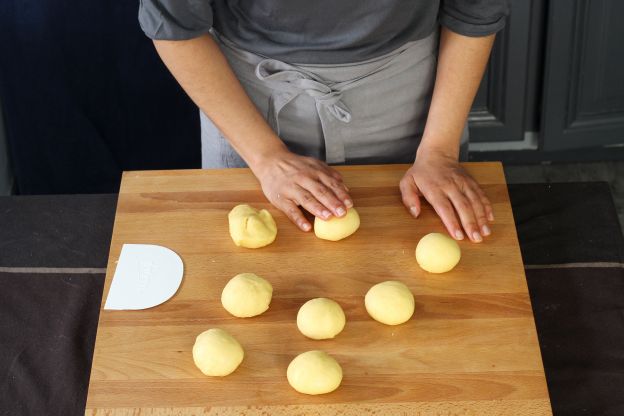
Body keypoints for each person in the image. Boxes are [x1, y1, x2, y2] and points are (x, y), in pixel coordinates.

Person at [139, 0, 509, 243]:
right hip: (248, 112)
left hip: (416, 107)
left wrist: (439, 151)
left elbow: (474, 9)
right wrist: (266, 156)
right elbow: (175, 27)